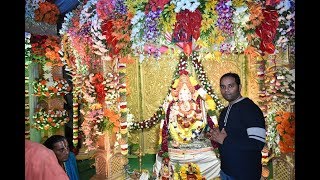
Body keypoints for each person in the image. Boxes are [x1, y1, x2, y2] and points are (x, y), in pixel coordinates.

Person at [207, 72, 266, 180]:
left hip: (245, 173)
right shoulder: (225, 111)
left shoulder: (250, 109)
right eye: (223, 87)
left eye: (231, 86)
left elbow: (258, 143)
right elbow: (228, 136)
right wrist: (215, 136)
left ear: (239, 87)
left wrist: (224, 140)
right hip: (226, 171)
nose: (226, 90)